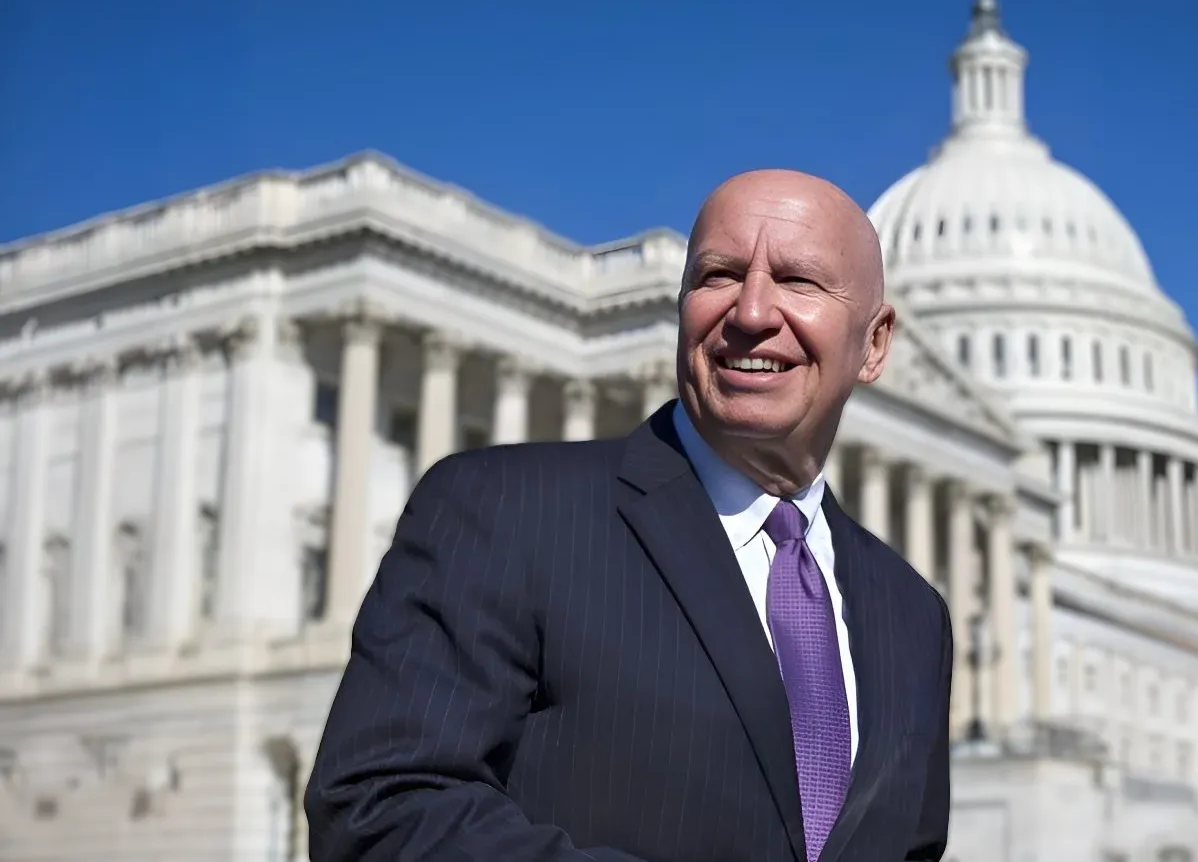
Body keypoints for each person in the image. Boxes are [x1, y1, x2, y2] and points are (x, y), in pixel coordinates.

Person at [304, 169, 954, 862]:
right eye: (718, 275)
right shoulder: (505, 514)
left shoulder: (913, 615)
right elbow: (378, 810)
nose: (752, 312)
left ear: (876, 344)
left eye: (798, 280)